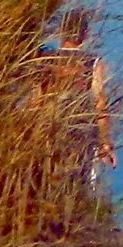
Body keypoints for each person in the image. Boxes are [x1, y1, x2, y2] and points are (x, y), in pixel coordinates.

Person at [36, 9, 114, 169]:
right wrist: (104, 142)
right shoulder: (92, 62)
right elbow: (99, 103)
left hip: (47, 129)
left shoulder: (45, 59)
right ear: (85, 34)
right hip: (80, 131)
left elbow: (35, 99)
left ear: (61, 32)